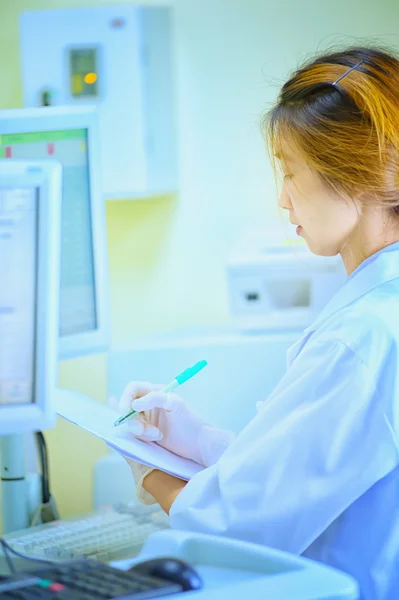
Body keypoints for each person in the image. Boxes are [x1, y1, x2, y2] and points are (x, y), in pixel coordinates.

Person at [114, 46, 399, 600]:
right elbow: (308, 473)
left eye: (292, 174)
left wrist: (145, 470)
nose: (283, 199)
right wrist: (196, 441)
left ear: (357, 177)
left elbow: (237, 525)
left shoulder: (359, 339)